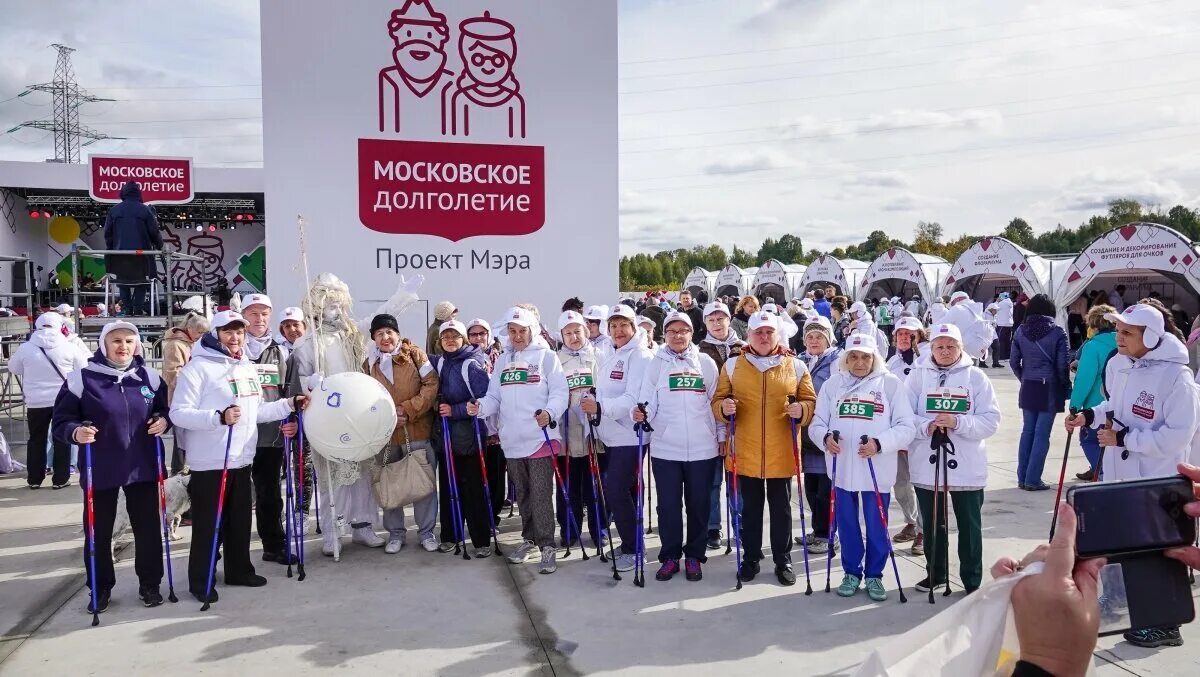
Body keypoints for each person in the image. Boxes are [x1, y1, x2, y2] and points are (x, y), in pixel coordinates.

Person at [1064, 303, 1200, 648]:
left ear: (1151, 337)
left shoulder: (1177, 377)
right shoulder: (1118, 364)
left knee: (1159, 552)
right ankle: (1120, 601)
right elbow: (1115, 407)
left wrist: (1125, 438)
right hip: (1120, 474)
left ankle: (1166, 624)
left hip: (1158, 480)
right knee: (1121, 544)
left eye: (1127, 332)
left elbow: (1177, 437)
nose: (1118, 337)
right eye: (1118, 330)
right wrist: (1089, 416)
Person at [170, 311, 304, 602]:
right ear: (215, 335)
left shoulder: (245, 367)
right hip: (211, 462)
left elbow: (257, 412)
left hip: (242, 458)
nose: (235, 337)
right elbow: (178, 413)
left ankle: (239, 569)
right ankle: (201, 579)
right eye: (228, 332)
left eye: (239, 332)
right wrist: (218, 418)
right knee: (209, 524)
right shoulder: (198, 368)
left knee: (240, 520)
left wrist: (289, 404)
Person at [51, 321, 171, 611]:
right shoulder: (82, 379)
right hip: (101, 466)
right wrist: (76, 432)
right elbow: (61, 421)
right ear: (104, 344)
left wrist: (164, 421)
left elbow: (164, 411)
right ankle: (100, 587)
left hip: (141, 464)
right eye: (116, 340)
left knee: (147, 528)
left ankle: (150, 584)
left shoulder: (150, 378)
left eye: (129, 341)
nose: (123, 346)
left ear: (137, 345)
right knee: (99, 530)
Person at [713, 310, 817, 585]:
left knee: (782, 509)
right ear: (749, 335)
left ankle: (783, 560)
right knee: (750, 509)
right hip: (745, 451)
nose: (763, 336)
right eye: (758, 332)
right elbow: (718, 400)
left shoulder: (795, 366)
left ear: (777, 334)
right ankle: (751, 558)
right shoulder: (733, 365)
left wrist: (802, 409)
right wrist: (724, 408)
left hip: (781, 450)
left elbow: (811, 401)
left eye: (768, 332)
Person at [811, 333, 915, 601]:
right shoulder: (833, 385)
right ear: (845, 359)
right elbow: (817, 423)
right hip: (842, 468)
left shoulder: (890, 385)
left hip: (875, 468)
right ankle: (851, 572)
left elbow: (906, 427)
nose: (859, 362)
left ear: (874, 358)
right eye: (854, 357)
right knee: (846, 524)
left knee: (877, 523)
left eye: (865, 357)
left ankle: (874, 575)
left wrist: (880, 444)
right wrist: (825, 438)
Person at [288, 273, 384, 557]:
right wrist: (312, 384)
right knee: (332, 478)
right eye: (329, 305)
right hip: (328, 418)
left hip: (357, 416)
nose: (335, 310)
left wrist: (401, 297)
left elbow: (379, 320)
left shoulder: (352, 335)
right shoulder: (306, 344)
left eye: (338, 304)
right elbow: (301, 381)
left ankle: (363, 525)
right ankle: (332, 532)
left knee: (363, 475)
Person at [469, 307, 568, 574]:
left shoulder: (546, 357)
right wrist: (479, 407)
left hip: (539, 438)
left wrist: (550, 413)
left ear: (531, 330)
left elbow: (560, 391)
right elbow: (494, 398)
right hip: (512, 441)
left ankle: (547, 545)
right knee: (522, 493)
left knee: (540, 494)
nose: (517, 336)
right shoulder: (502, 360)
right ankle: (530, 539)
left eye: (522, 331)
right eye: (512, 332)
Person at [905, 323, 1001, 594]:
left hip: (966, 464)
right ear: (931, 348)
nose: (945, 352)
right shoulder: (917, 376)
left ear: (960, 348)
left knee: (969, 525)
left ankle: (972, 580)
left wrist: (958, 422)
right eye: (939, 346)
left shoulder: (977, 377)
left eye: (951, 346)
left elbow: (991, 421)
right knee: (933, 522)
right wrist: (926, 426)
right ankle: (935, 573)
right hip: (928, 461)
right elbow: (903, 415)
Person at [633, 311, 719, 582]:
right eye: (672, 331)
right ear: (664, 335)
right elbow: (647, 399)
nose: (678, 336)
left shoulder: (705, 363)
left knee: (699, 504)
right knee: (668, 506)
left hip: (703, 448)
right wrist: (642, 413)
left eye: (683, 331)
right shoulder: (655, 364)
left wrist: (722, 437)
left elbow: (714, 404)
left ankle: (694, 555)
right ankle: (670, 556)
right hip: (666, 448)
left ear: (692, 334)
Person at [580, 304, 655, 573]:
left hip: (630, 435)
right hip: (611, 436)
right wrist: (593, 394)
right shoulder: (612, 352)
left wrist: (600, 407)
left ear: (634, 327)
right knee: (628, 490)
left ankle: (634, 549)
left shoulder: (640, 356)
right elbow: (606, 387)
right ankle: (632, 543)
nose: (618, 330)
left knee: (615, 489)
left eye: (623, 325)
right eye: (613, 326)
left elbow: (632, 399)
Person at [238, 294, 297, 564]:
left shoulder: (280, 350)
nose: (259, 319)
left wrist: (291, 421)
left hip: (269, 435)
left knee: (269, 493)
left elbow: (288, 390)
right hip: (235, 434)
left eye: (264, 314)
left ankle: (273, 544)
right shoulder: (231, 346)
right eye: (253, 314)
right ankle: (232, 551)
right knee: (235, 496)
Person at [430, 317, 497, 556]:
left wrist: (454, 410)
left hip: (470, 438)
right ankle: (450, 535)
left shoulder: (472, 363)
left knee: (473, 489)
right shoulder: (440, 363)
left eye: (454, 336)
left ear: (463, 339)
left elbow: (484, 398)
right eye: (445, 337)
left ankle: (481, 541)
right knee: (449, 487)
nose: (449, 341)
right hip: (446, 437)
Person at [9, 312, 88, 489]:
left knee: (37, 439)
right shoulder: (68, 347)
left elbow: (13, 367)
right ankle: (60, 479)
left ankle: (35, 479)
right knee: (62, 438)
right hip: (63, 400)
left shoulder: (26, 348)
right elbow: (82, 367)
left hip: (35, 402)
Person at [555, 310, 606, 549]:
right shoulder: (555, 360)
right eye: (568, 333)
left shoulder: (598, 356)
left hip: (593, 432)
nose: (574, 337)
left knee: (595, 483)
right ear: (562, 335)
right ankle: (569, 528)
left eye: (577, 331)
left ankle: (599, 529)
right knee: (568, 484)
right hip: (566, 433)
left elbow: (606, 386)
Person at [697, 301, 745, 550]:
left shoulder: (744, 348)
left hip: (741, 422)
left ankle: (741, 525)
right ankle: (712, 527)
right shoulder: (700, 351)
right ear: (705, 323)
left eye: (721, 319)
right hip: (711, 423)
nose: (717, 324)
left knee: (737, 481)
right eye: (712, 320)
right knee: (712, 481)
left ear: (729, 319)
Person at [1010, 294, 1069, 491]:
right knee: (1042, 434)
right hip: (1049, 386)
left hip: (1028, 384)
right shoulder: (1058, 332)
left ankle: (1023, 477)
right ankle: (1033, 479)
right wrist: (1064, 386)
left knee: (1027, 431)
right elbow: (1062, 366)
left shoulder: (1020, 331)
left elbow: (1013, 362)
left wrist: (1024, 377)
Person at [794, 316, 841, 556]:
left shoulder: (836, 360)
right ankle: (818, 529)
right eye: (809, 336)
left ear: (828, 338)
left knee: (826, 489)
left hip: (826, 433)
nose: (813, 340)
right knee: (811, 487)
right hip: (806, 434)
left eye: (819, 336)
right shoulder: (800, 360)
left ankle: (829, 534)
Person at [884, 316, 927, 556]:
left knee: (919, 481)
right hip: (897, 432)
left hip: (918, 433)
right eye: (900, 334)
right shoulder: (891, 361)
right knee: (900, 483)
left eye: (910, 334)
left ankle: (923, 529)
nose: (904, 338)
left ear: (919, 336)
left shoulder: (926, 361)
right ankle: (911, 522)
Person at [1068, 305, 1116, 482]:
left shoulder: (1093, 346)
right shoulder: (1122, 344)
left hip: (1095, 405)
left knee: (1089, 441)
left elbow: (1084, 380)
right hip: (1117, 404)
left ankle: (1102, 473)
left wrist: (1074, 406)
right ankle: (1102, 470)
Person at [103, 181, 163, 317]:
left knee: (122, 282)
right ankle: (137, 309)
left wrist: (111, 249)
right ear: (138, 193)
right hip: (142, 256)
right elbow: (154, 232)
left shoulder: (114, 210)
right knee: (142, 281)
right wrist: (160, 246)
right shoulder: (145, 210)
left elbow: (108, 234)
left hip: (120, 255)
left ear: (123, 193)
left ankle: (128, 309)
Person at [161, 311, 210, 475]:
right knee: (181, 436)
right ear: (189, 328)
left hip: (197, 395)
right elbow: (172, 372)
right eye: (199, 332)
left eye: (205, 333)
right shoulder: (176, 345)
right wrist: (193, 376)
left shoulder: (195, 343)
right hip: (179, 394)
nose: (201, 336)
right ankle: (178, 470)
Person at [995, 292, 1015, 363]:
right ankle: (1007, 357)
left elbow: (994, 308)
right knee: (1007, 341)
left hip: (1002, 324)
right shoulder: (1010, 303)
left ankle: (1001, 357)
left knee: (1001, 341)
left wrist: (997, 302)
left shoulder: (1001, 304)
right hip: (1009, 324)